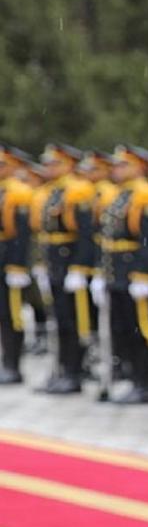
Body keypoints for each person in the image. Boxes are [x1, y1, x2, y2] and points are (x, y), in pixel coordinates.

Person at [95, 146, 148, 404]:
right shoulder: (120, 194)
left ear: (139, 167)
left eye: (124, 165)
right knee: (121, 328)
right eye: (116, 165)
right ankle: (131, 377)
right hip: (117, 272)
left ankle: (143, 383)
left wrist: (143, 273)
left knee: (141, 330)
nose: (117, 169)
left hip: (134, 271)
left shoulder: (145, 194)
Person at [32, 143, 97, 394]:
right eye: (47, 163)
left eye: (54, 163)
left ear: (69, 164)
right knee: (58, 320)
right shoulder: (51, 191)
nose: (48, 167)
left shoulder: (78, 190)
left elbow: (86, 234)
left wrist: (80, 266)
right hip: (54, 263)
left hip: (70, 261)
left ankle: (74, 372)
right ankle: (61, 370)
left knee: (73, 321)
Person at [0, 144, 34, 385]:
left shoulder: (19, 192)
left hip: (10, 260)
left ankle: (13, 365)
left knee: (11, 315)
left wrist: (19, 265)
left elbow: (22, 234)